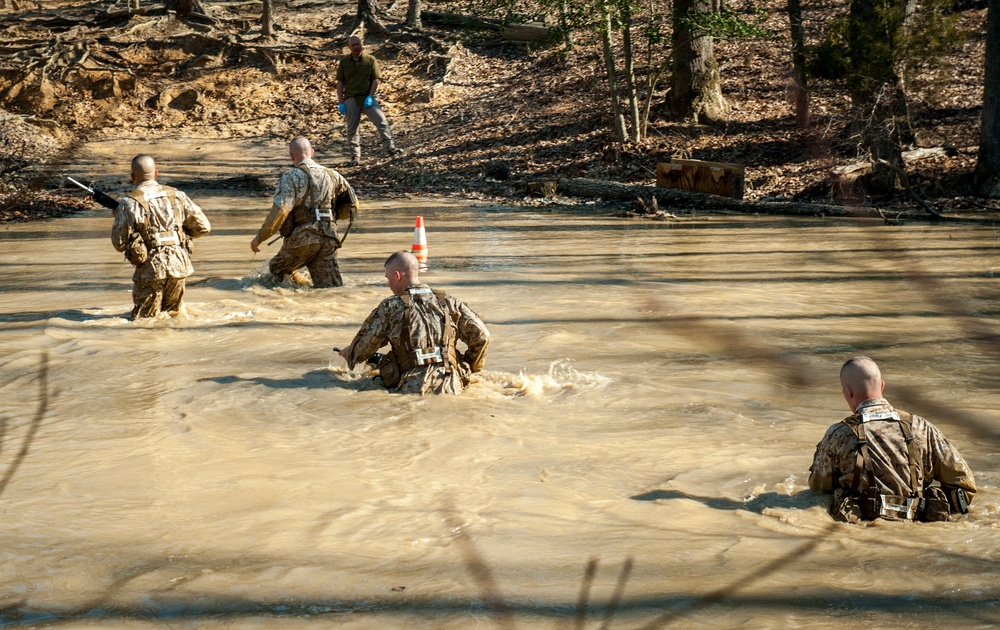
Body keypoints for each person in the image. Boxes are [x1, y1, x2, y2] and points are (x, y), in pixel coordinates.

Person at [809, 356, 977, 523]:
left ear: (848, 392)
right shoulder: (921, 427)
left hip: (863, 534)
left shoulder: (838, 434)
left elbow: (818, 492)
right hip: (918, 532)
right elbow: (964, 486)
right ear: (882, 385)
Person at [338, 251, 489, 394]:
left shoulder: (389, 306)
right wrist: (468, 366)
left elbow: (365, 345)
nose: (388, 284)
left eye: (387, 278)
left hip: (410, 388)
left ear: (397, 276)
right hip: (451, 384)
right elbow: (482, 336)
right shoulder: (449, 302)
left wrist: (350, 353)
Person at [111, 154, 211, 319]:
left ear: (132, 176)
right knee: (174, 316)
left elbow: (119, 243)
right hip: (179, 265)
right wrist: (180, 234)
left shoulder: (128, 203)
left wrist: (118, 219)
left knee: (144, 321)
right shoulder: (177, 196)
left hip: (150, 269)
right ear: (156, 173)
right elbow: (204, 227)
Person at [250, 137, 356, 288]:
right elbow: (352, 206)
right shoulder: (335, 176)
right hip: (329, 239)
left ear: (291, 156)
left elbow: (281, 211)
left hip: (302, 238)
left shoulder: (290, 177)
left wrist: (259, 238)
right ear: (312, 153)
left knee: (276, 270)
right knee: (331, 288)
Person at [335, 35, 402, 167]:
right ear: (349, 47)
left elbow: (375, 80)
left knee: (381, 120)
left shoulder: (370, 60)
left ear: (362, 44)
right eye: (353, 45)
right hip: (351, 98)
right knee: (352, 127)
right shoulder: (344, 63)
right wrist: (341, 102)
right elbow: (340, 82)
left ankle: (390, 148)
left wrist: (371, 96)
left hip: (366, 97)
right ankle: (355, 156)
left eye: (358, 44)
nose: (356, 47)